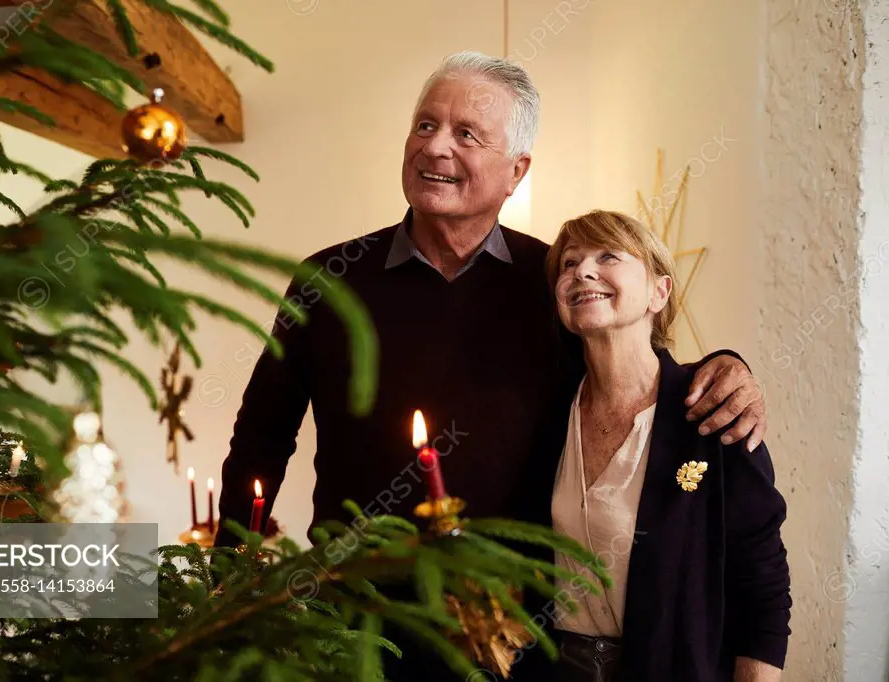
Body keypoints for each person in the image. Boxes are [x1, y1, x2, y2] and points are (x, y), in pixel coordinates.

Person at [216, 51, 769, 680]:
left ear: (517, 171)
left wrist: (730, 365)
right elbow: (261, 436)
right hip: (356, 619)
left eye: (467, 134)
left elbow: (639, 371)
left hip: (512, 640)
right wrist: (229, 579)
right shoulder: (328, 277)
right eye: (425, 125)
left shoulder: (553, 281)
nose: (435, 148)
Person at [515, 210, 790, 682]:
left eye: (607, 256)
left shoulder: (714, 412)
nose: (581, 271)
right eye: (568, 263)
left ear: (658, 293)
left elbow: (762, 585)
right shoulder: (546, 414)